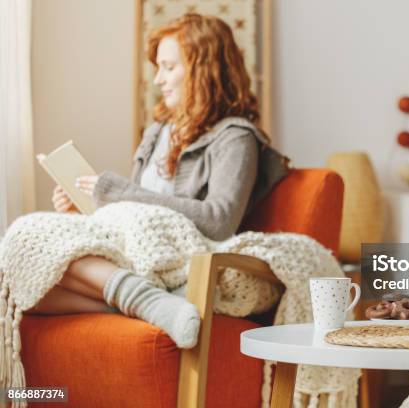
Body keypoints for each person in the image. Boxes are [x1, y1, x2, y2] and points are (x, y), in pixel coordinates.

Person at [31, 13, 288, 349]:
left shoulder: (235, 137)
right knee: (23, 282)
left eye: (168, 67)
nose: (158, 80)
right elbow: (133, 215)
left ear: (202, 68)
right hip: (134, 251)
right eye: (158, 68)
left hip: (177, 259)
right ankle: (148, 303)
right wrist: (84, 210)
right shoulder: (156, 135)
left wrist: (119, 193)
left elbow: (220, 221)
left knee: (33, 238)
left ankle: (143, 298)